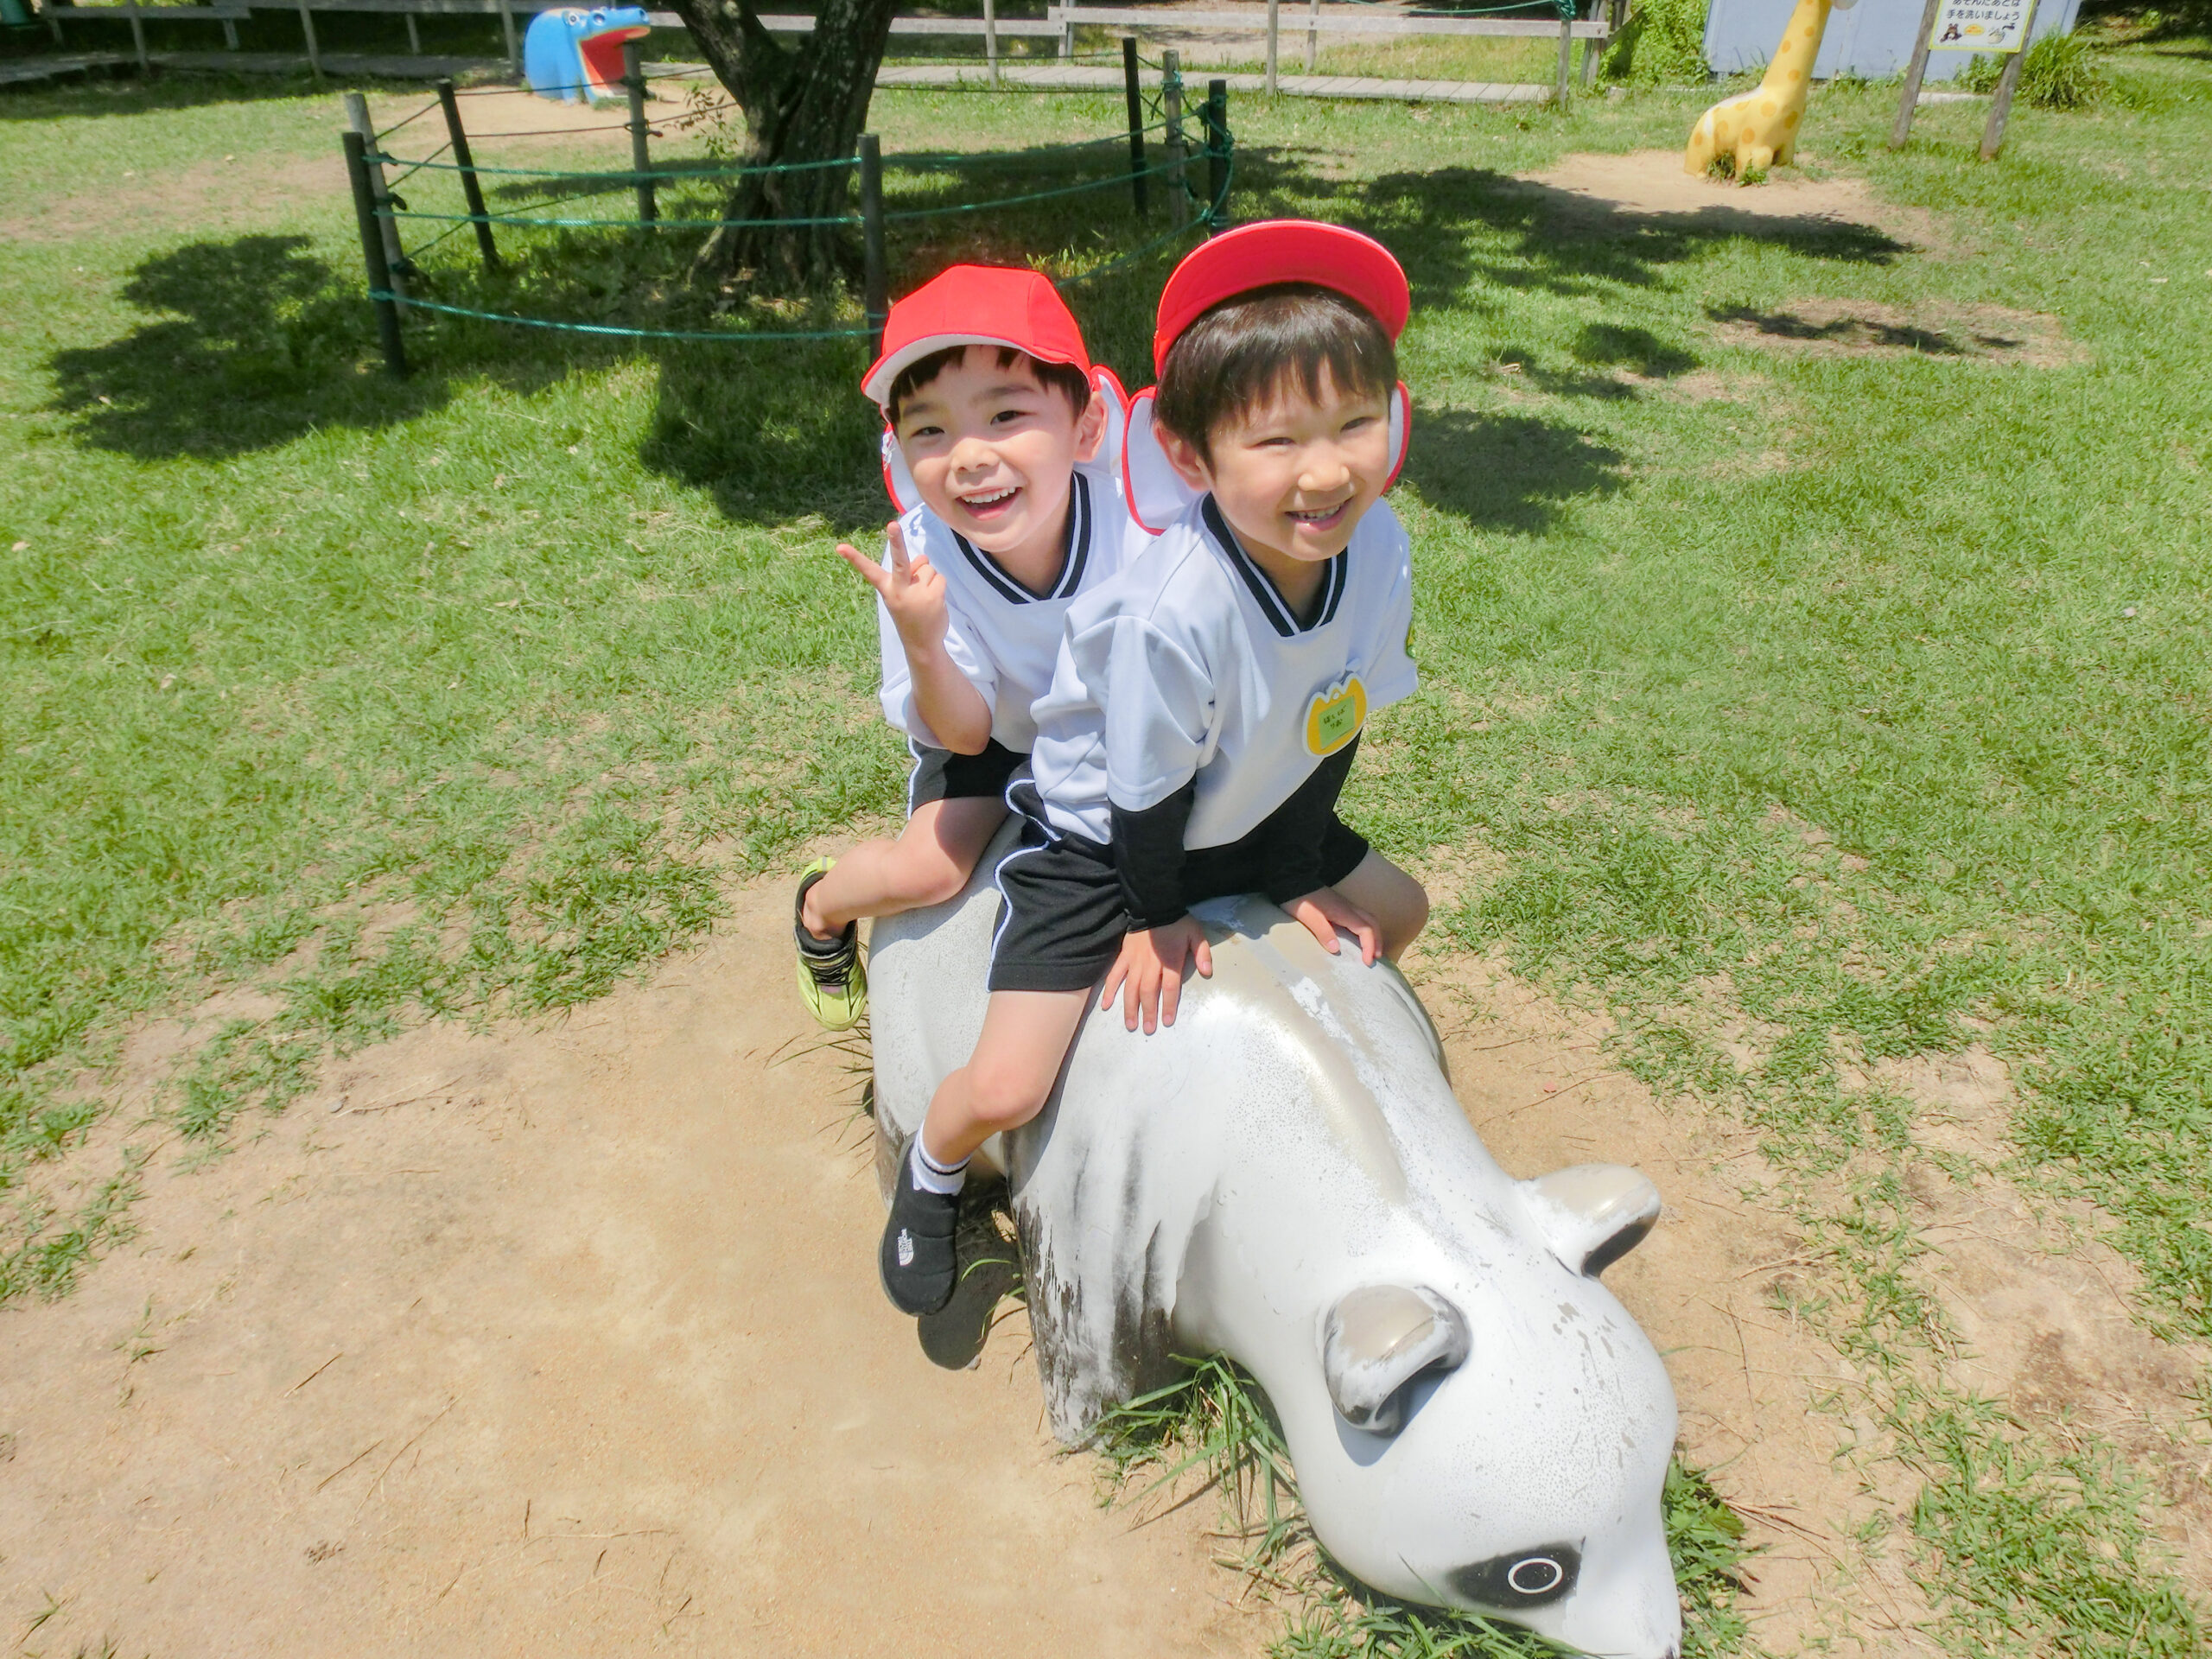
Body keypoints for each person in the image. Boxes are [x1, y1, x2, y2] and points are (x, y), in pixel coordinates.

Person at [880, 221, 1432, 1317]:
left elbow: (1335, 720)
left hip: (1251, 806)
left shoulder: (1375, 548)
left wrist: (1294, 865)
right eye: (1276, 443)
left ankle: (1329, 1140)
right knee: (1009, 1080)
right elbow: (1138, 794)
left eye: (1355, 424)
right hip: (1106, 839)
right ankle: (932, 1171)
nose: (1324, 471)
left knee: (1399, 913)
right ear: (1191, 458)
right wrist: (1153, 912)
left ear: (1396, 419)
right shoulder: (1169, 613)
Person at [794, 266, 1141, 1031]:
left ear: (1085, 427)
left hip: (1109, 730)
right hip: (992, 734)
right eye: (930, 429)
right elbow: (965, 732)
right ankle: (824, 906)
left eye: (1006, 414)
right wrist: (922, 639)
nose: (968, 456)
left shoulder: (1134, 515)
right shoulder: (925, 560)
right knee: (932, 868)